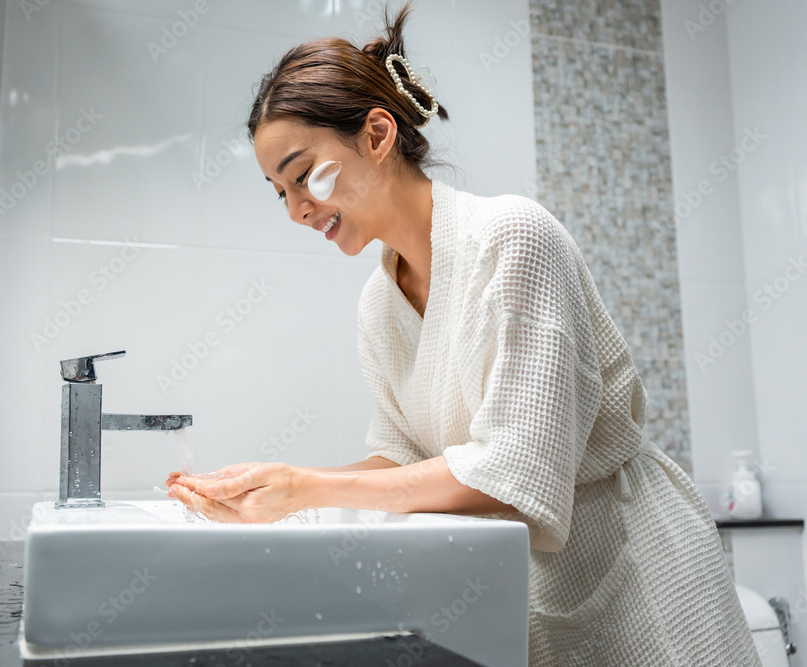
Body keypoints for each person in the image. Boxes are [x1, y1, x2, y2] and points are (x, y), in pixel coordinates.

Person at [167, 3, 760, 664]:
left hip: (644, 580)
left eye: (303, 173)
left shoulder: (513, 239)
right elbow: (400, 457)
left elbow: (512, 471)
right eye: (278, 191)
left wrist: (304, 486)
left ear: (377, 134)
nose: (297, 209)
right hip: (539, 590)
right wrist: (271, 494)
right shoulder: (378, 304)